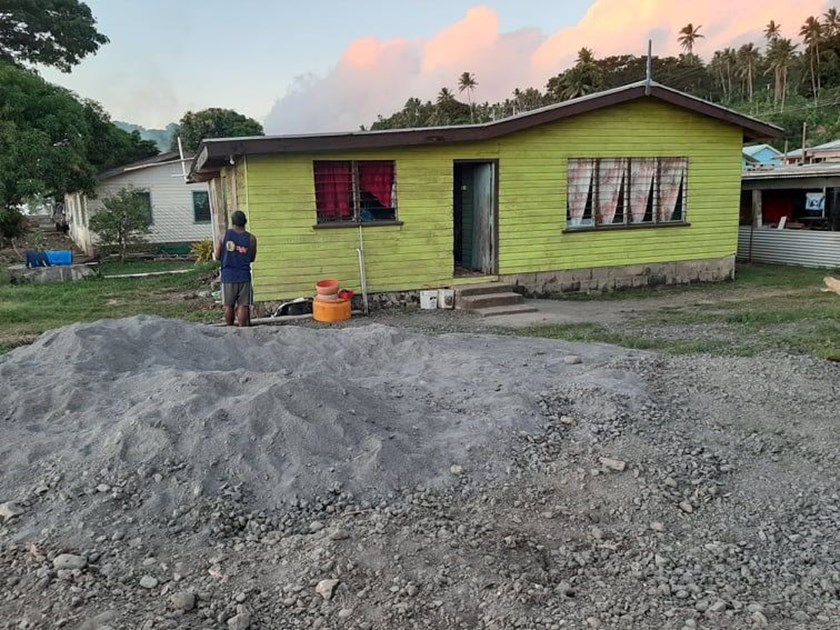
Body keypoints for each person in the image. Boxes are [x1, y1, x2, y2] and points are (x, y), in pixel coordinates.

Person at [216, 210, 257, 327]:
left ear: (232, 222)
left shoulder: (224, 236)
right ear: (245, 221)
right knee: (243, 305)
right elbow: (252, 258)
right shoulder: (251, 239)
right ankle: (243, 330)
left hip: (228, 276)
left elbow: (218, 256)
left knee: (228, 305)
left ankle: (230, 329)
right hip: (244, 276)